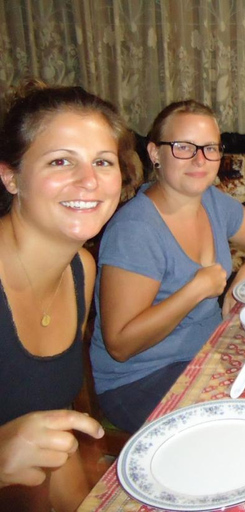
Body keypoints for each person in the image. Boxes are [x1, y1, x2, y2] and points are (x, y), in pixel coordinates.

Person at [90, 100, 245, 433]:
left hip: (203, 352)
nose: (199, 159)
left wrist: (244, 279)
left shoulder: (211, 201)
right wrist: (195, 290)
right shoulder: (135, 230)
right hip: (140, 378)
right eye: (183, 147)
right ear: (155, 153)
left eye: (210, 148)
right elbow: (120, 345)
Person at [0, 82, 133, 511]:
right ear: (11, 175)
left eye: (103, 161)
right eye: (61, 161)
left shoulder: (81, 269)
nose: (89, 181)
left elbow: (52, 424)